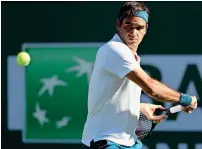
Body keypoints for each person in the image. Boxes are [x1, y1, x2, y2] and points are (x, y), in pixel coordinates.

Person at [81, 1, 198, 149]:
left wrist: (139, 108)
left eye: (139, 28)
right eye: (128, 26)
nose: (133, 33)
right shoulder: (114, 50)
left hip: (129, 142)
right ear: (118, 25)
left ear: (146, 29)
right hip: (104, 142)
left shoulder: (131, 56)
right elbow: (151, 88)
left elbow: (110, 97)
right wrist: (185, 99)